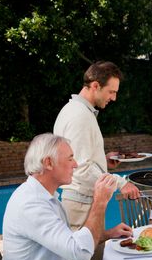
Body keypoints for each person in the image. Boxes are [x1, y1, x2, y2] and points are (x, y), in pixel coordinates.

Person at [1, 133, 133, 260]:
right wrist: (100, 202)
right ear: (48, 163)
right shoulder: (32, 205)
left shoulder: (42, 195)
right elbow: (79, 253)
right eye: (70, 158)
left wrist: (106, 234)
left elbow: (66, 242)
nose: (76, 164)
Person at [53, 61, 140, 231]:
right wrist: (121, 184)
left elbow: (78, 159)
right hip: (80, 205)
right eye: (111, 92)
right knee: (85, 257)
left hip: (82, 202)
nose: (114, 98)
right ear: (95, 85)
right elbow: (81, 168)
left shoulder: (77, 110)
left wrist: (103, 161)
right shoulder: (80, 116)